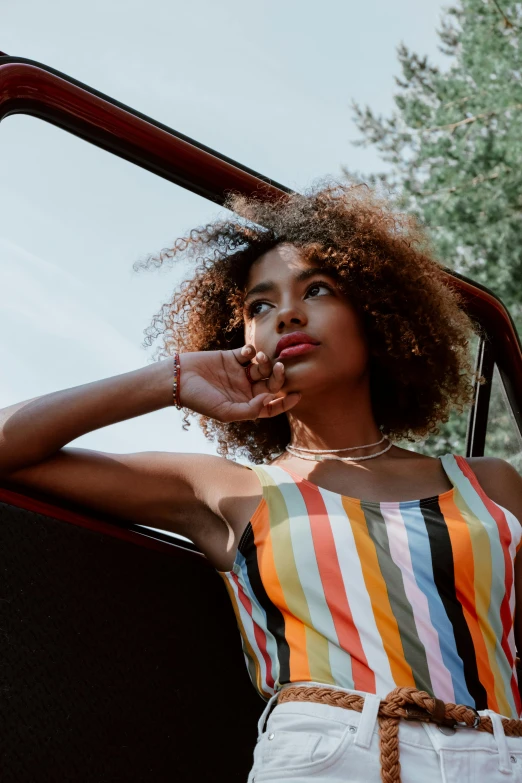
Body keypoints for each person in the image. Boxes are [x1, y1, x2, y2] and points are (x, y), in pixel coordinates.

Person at [1, 182, 522, 783]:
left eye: (317, 289)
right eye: (259, 307)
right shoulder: (229, 490)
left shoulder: (490, 484)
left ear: (377, 311)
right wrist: (170, 380)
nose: (287, 315)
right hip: (326, 759)